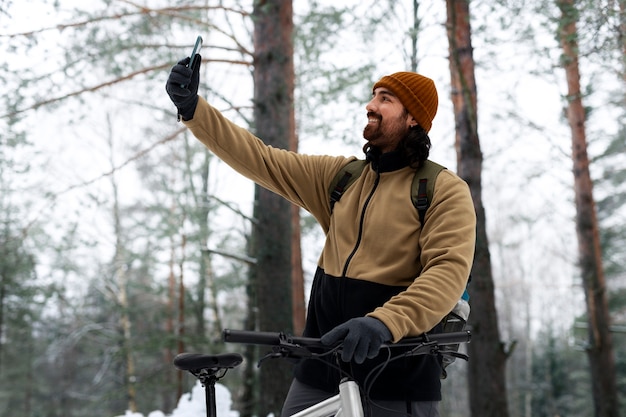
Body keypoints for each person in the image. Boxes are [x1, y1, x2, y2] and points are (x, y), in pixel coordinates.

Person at [166, 56, 476, 417]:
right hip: (322, 369)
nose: (370, 105)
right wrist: (193, 110)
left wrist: (382, 322)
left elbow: (446, 274)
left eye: (385, 99)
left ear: (412, 119)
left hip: (396, 377)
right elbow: (260, 158)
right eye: (374, 95)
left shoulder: (440, 189)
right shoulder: (342, 178)